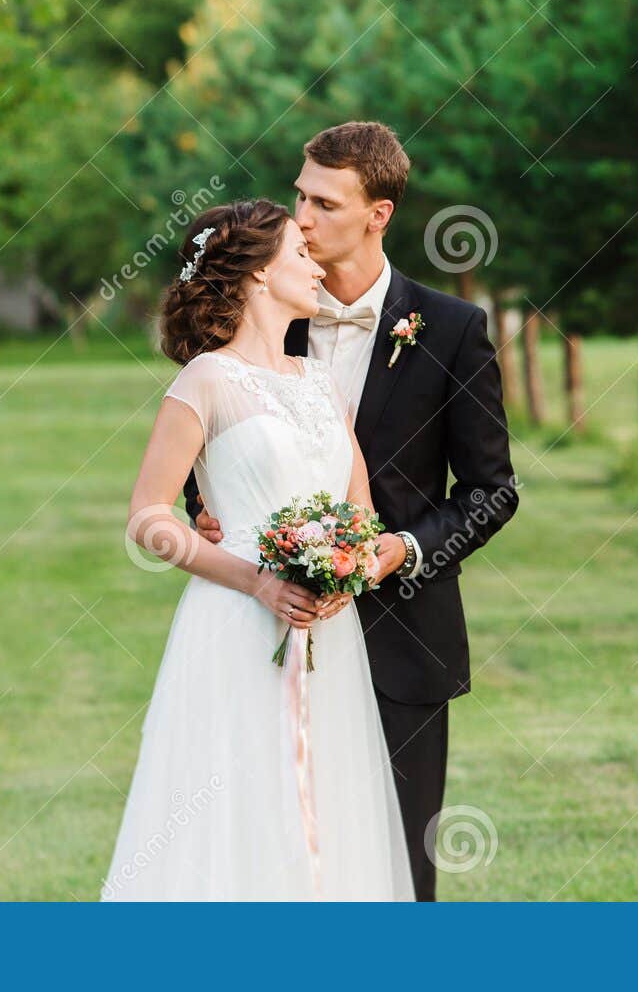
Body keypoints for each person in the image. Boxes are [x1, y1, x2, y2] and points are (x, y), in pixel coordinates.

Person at [190, 122, 519, 901]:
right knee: (272, 860)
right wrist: (205, 508)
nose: (300, 218)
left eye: (324, 204)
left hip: (403, 638)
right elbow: (214, 449)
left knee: (399, 869)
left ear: (379, 214)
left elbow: (492, 489)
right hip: (269, 634)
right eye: (299, 195)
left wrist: (401, 548)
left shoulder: (453, 330)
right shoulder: (265, 310)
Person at [103, 198, 413, 900]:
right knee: (233, 805)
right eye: (300, 253)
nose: (316, 263)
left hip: (329, 633)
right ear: (258, 275)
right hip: (236, 626)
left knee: (329, 802)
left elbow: (360, 508)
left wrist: (347, 568)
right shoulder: (206, 380)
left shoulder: (322, 384)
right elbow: (148, 516)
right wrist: (258, 581)